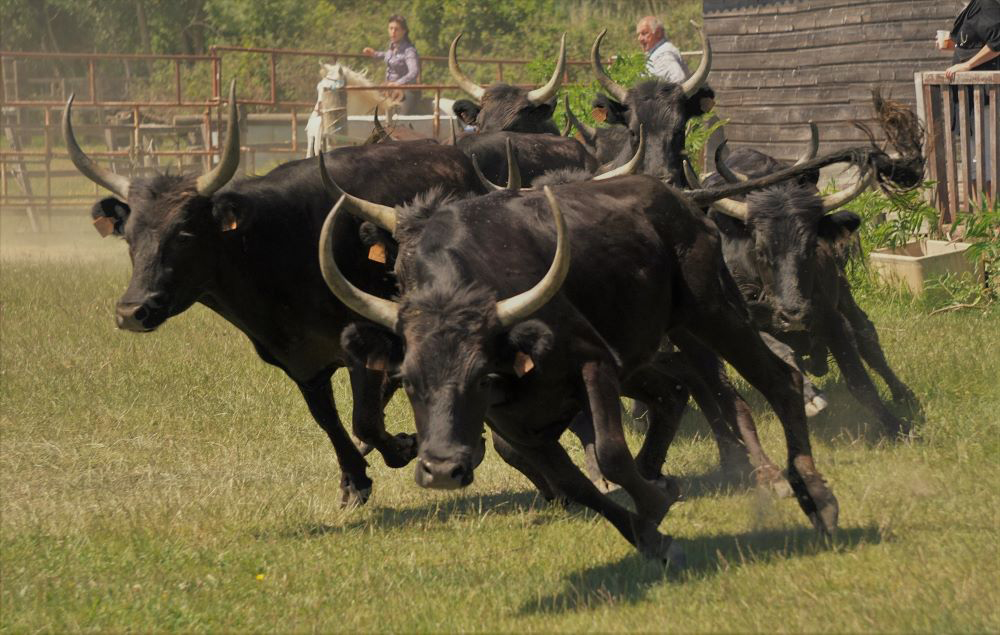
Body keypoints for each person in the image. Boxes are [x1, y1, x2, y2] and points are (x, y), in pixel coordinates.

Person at [938, 0, 999, 192]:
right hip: (971, 97)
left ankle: (993, 217)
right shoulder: (971, 7)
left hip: (984, 95)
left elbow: (997, 42)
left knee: (986, 159)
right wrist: (953, 47)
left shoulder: (985, 4)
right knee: (975, 160)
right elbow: (974, 43)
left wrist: (967, 65)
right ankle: (983, 215)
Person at [363, 15, 420, 115]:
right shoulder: (392, 47)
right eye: (391, 28)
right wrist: (374, 54)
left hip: (405, 91)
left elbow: (414, 71)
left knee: (396, 118)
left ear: (404, 31)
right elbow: (388, 56)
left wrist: (398, 83)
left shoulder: (409, 51)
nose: (393, 32)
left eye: (396, 29)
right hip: (389, 89)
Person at [636, 15, 690, 84]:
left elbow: (678, 79)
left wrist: (661, 94)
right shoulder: (658, 52)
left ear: (658, 33)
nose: (639, 39)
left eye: (644, 33)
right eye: (639, 34)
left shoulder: (663, 54)